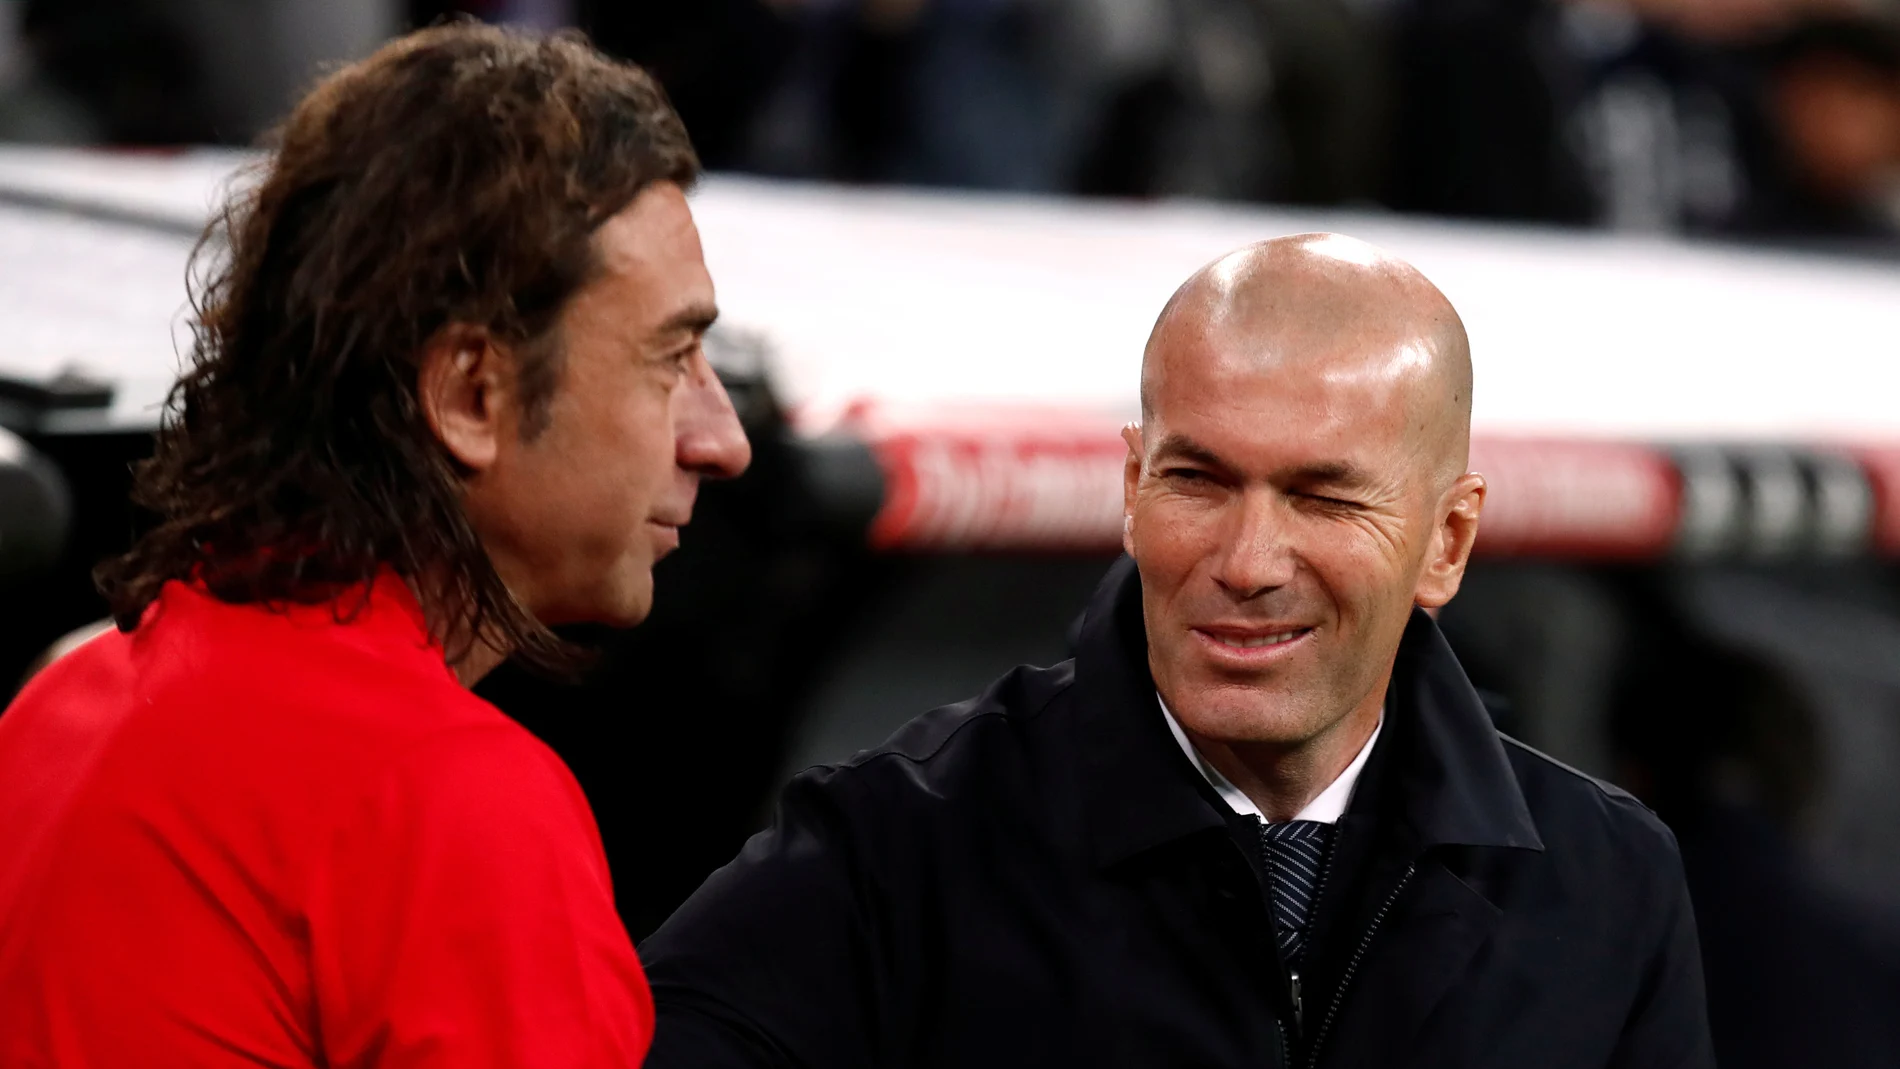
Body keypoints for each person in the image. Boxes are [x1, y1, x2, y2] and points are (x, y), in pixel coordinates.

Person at [640, 233, 1714, 1068]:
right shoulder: (891, 852)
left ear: (1447, 540)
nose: (1247, 560)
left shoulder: (1604, 882)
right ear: (1129, 489)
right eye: (1196, 481)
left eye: (1322, 496)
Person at [0, 21, 749, 1068]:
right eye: (672, 359)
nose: (725, 440)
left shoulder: (58, 703)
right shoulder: (455, 806)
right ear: (469, 394)